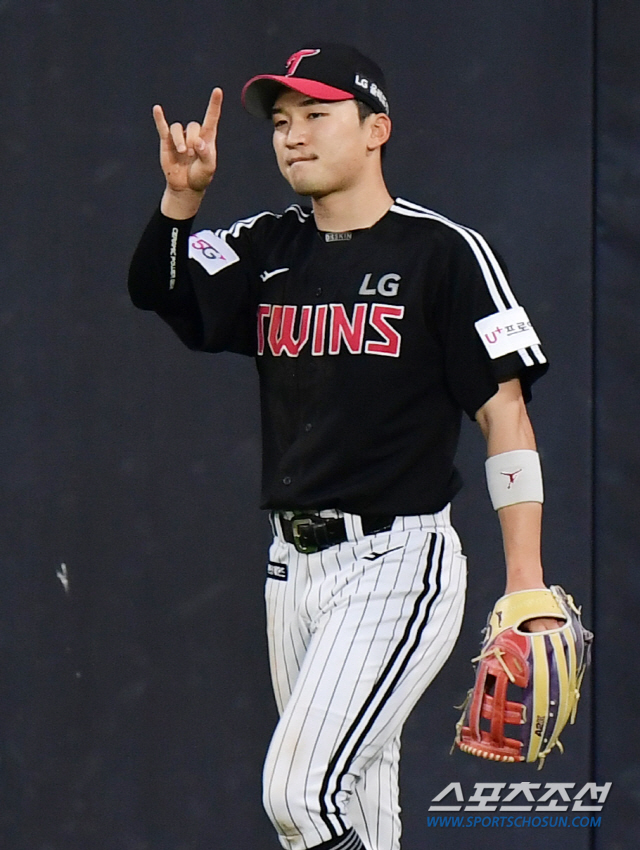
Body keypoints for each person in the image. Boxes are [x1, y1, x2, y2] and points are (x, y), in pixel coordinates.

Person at [129, 43, 559, 850]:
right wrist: (181, 202)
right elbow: (159, 287)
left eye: (317, 115)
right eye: (281, 122)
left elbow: (505, 416)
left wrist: (526, 579)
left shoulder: (443, 252)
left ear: (375, 129)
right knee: (351, 812)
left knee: (300, 795)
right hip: (291, 569)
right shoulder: (267, 245)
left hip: (396, 563)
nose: (293, 135)